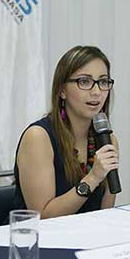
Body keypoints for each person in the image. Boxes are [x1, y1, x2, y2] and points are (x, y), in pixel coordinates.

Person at [12, 45, 119, 218]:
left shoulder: (107, 140)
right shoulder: (38, 137)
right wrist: (93, 178)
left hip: (88, 239)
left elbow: (105, 215)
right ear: (62, 90)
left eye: (103, 82)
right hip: (38, 240)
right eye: (84, 81)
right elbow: (42, 217)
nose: (97, 92)